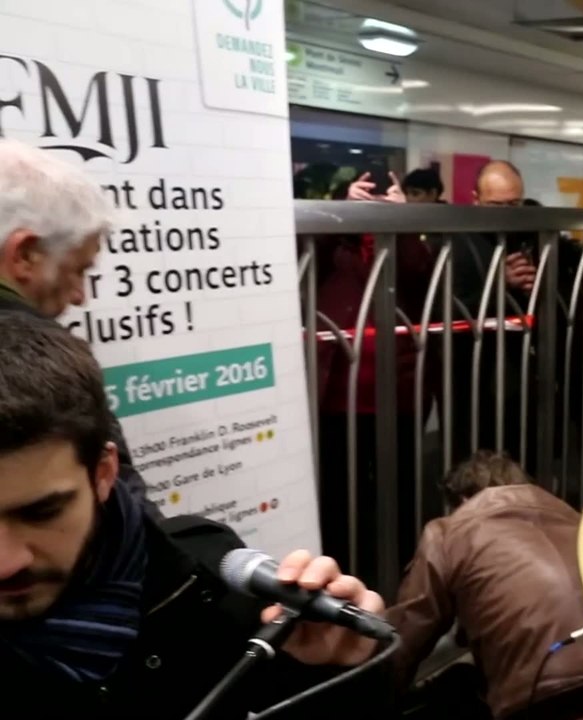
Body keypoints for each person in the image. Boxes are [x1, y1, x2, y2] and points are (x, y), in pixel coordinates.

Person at [0, 310, 390, 719]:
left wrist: (338, 670)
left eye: (42, 512)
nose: (6, 564)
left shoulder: (209, 577)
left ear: (103, 474)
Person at [389, 451, 583, 719]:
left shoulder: (448, 532)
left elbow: (404, 641)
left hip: (544, 699)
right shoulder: (580, 520)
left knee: (453, 687)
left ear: (464, 499)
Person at [0, 139, 157, 518]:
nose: (79, 296)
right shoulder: (40, 365)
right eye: (78, 270)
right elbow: (123, 521)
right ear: (25, 254)